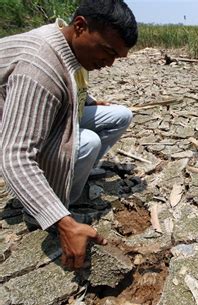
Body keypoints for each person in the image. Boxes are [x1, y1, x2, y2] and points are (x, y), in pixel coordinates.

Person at [0, 0, 138, 269]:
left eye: (116, 58)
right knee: (87, 141)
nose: (109, 64)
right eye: (108, 51)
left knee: (119, 115)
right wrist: (61, 221)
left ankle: (74, 172)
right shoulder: (40, 66)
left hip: (34, 110)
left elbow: (69, 84)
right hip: (11, 124)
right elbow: (14, 156)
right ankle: (44, 206)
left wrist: (90, 101)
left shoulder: (64, 43)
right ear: (80, 26)